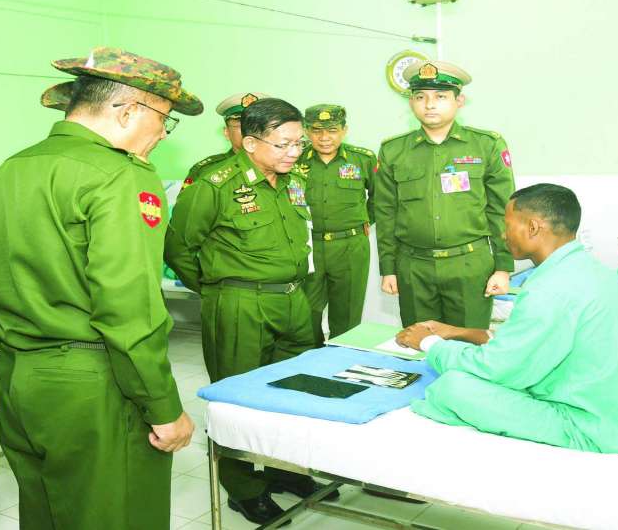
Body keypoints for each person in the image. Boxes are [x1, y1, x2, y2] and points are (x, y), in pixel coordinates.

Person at [0, 47, 201, 530]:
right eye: (164, 119)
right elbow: (128, 309)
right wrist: (163, 407)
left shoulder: (9, 170)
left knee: (45, 514)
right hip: (95, 386)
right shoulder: (120, 175)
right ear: (129, 110)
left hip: (18, 378)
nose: (162, 133)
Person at [396, 183, 618, 454]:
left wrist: (429, 343)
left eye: (507, 225)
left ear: (532, 227)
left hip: (597, 427)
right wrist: (456, 332)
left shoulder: (549, 289)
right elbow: (531, 341)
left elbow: (497, 369)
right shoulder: (593, 271)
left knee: (452, 387)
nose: (503, 234)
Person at [165, 98, 337, 525]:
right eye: (284, 144)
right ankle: (243, 488)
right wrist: (218, 290)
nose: (294, 152)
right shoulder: (215, 185)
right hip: (241, 303)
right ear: (251, 142)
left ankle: (288, 471)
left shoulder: (293, 180)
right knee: (237, 399)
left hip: (294, 299)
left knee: (294, 392)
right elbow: (178, 248)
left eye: (298, 143)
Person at [374, 60, 515, 329]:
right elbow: (385, 213)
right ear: (411, 102)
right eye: (420, 97)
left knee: (468, 343)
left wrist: (503, 267)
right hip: (414, 267)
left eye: (440, 96)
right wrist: (388, 269)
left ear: (459, 101)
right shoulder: (393, 151)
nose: (429, 105)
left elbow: (502, 211)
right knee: (419, 343)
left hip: (469, 265)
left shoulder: (487, 146)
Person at [297, 104, 375, 347]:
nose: (324, 137)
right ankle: (311, 359)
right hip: (307, 246)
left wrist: (359, 222)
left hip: (350, 246)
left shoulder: (363, 159)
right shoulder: (294, 159)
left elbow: (380, 199)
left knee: (348, 313)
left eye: (332, 130)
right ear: (306, 131)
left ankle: (341, 360)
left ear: (344, 130)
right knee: (305, 312)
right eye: (316, 130)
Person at [182, 92, 270, 189]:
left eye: (258, 123)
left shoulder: (281, 167)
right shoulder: (206, 172)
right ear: (227, 132)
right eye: (241, 124)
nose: (251, 129)